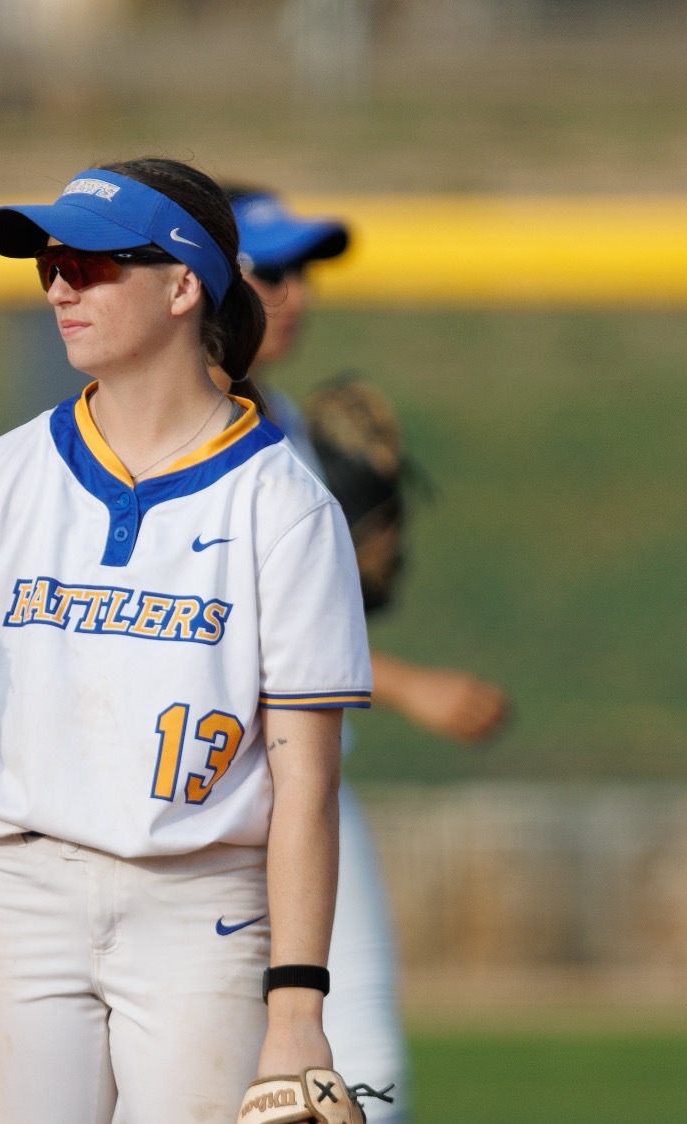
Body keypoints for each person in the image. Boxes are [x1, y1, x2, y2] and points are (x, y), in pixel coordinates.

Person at [0, 157, 373, 1123]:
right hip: (19, 894)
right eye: (49, 264)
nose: (61, 284)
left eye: (93, 263)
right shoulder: (3, 475)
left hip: (203, 906)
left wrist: (298, 1008)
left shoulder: (282, 502)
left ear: (185, 284)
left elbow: (306, 780)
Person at [229, 188, 514, 1123]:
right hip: (217, 807)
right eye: (269, 271)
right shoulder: (188, 442)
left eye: (302, 271)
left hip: (314, 795)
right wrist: (409, 686)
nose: (296, 293)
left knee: (361, 1078)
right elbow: (236, 633)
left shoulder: (290, 428)